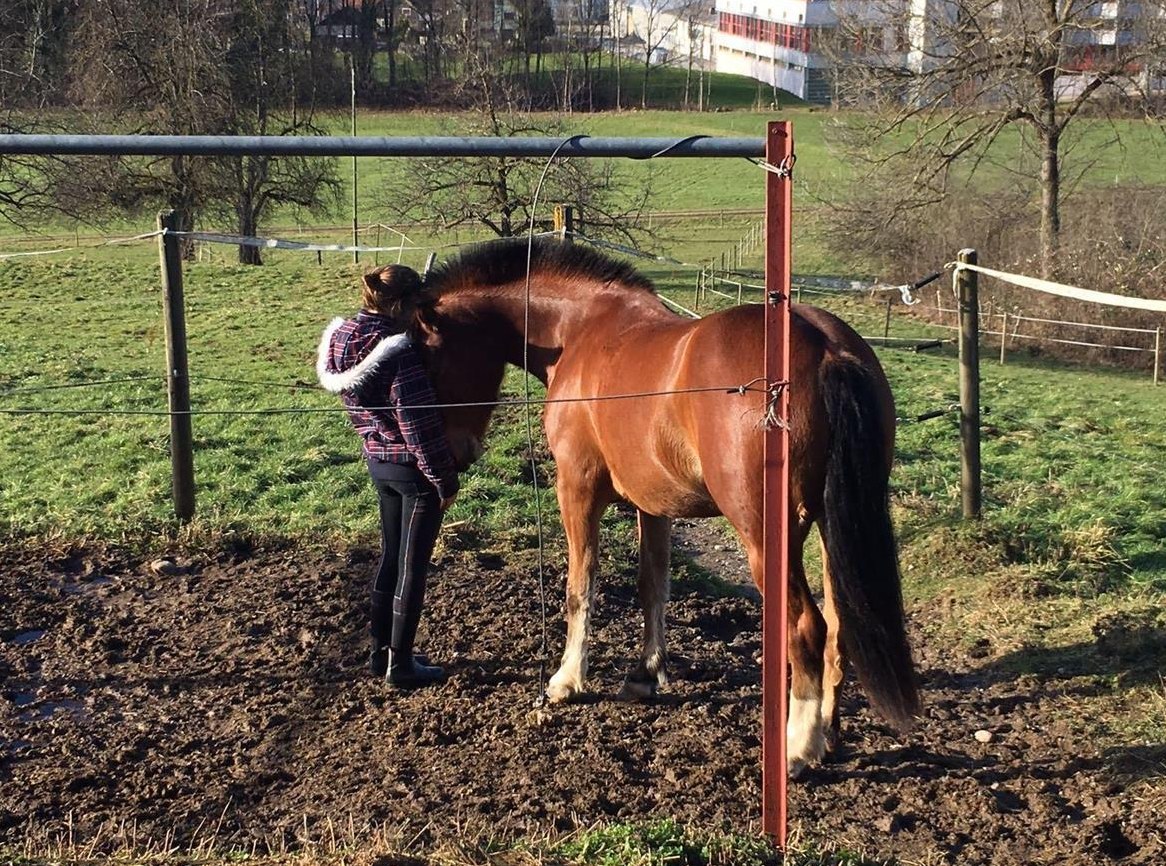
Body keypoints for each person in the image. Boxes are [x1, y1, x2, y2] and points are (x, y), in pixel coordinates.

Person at [316, 264, 459, 689]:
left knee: (391, 559)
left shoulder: (342, 338)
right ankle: (402, 664)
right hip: (413, 473)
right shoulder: (396, 352)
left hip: (378, 462)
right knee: (412, 568)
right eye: (415, 307)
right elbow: (417, 424)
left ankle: (381, 653)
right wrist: (444, 480)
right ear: (399, 305)